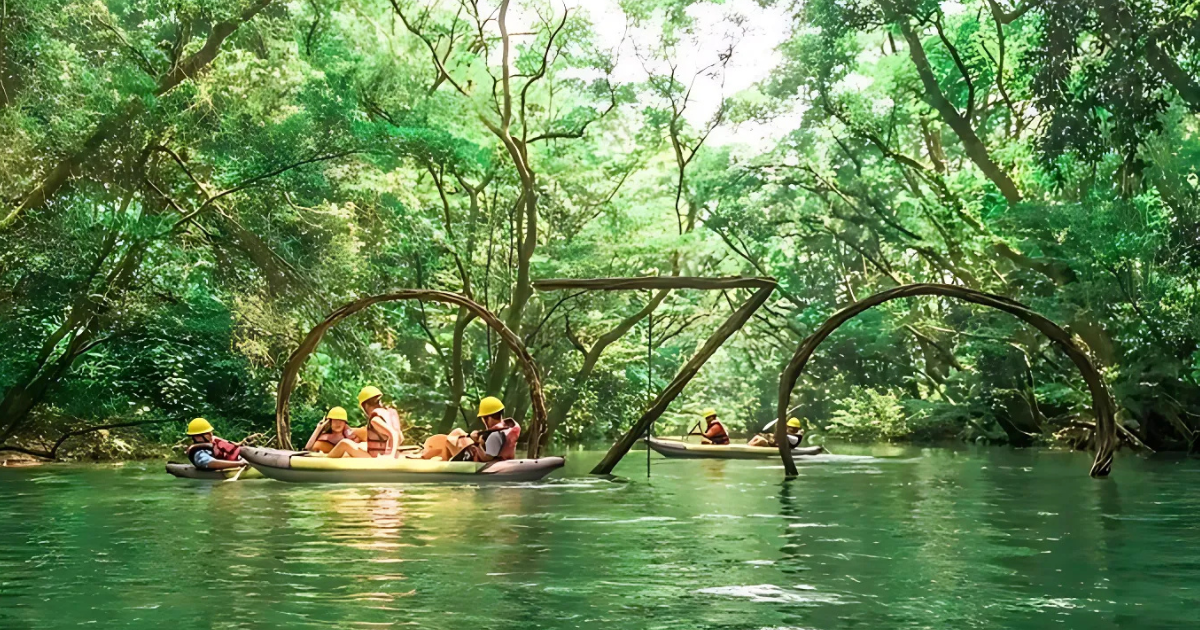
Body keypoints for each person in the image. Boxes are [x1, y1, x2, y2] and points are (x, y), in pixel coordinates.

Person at [462, 396, 521, 462]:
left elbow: (487, 459)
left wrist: (477, 443)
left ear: (487, 418)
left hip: (497, 468)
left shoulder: (494, 436)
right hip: (507, 463)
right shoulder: (507, 430)